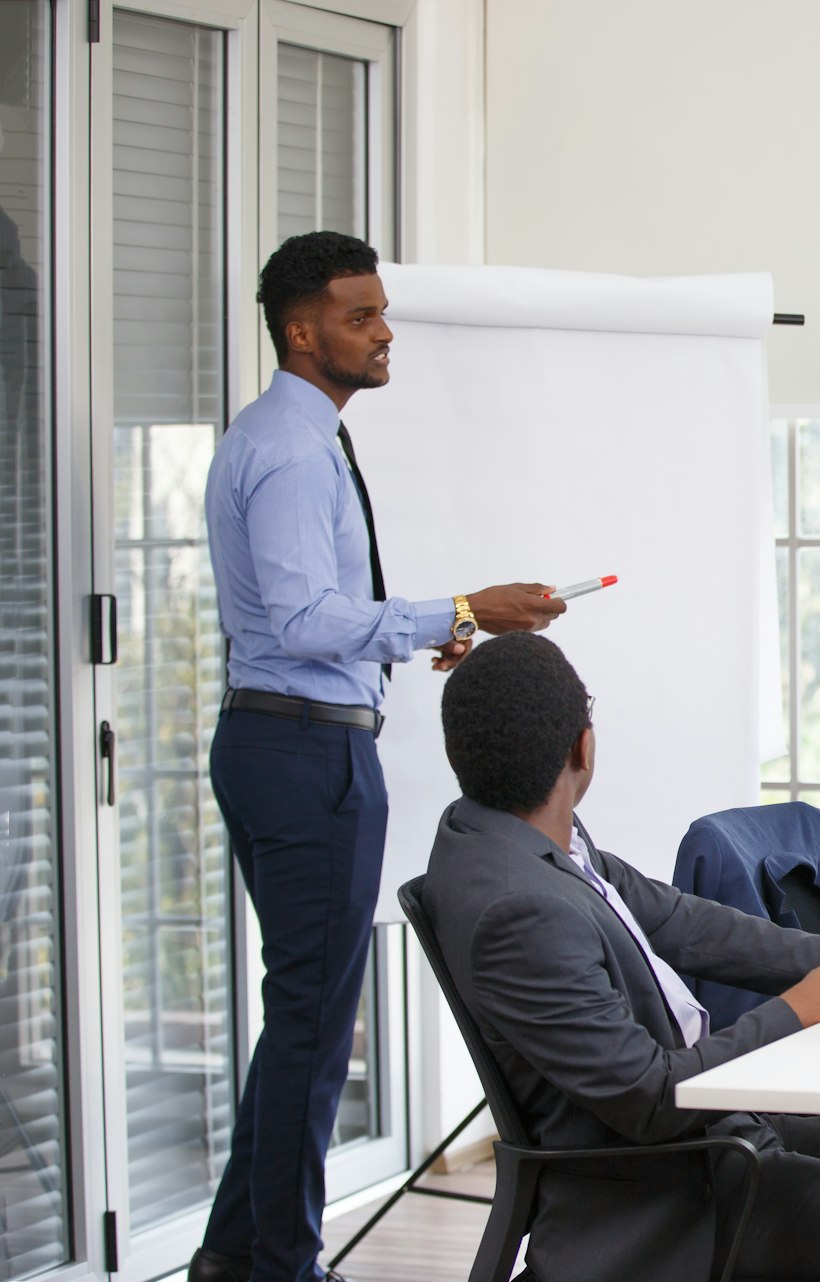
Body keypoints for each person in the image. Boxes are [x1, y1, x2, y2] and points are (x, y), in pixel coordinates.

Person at [194, 232, 566, 1282]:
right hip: (301, 752)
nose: (383, 331)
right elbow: (307, 620)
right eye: (359, 317)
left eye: (381, 311)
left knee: (304, 1016)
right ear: (300, 332)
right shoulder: (291, 448)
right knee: (313, 1023)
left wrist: (424, 631)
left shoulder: (295, 438)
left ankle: (236, 1255)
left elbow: (314, 615)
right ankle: (282, 1264)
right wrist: (459, 608)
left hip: (296, 740)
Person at [421, 633, 820, 1282]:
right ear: (582, 746)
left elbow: (683, 923)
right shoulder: (518, 909)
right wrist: (804, 1008)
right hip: (676, 1197)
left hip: (722, 1136)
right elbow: (649, 1097)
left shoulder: (514, 835)